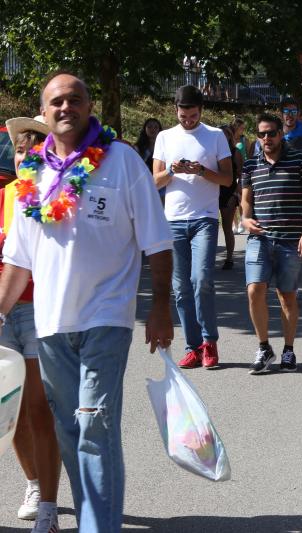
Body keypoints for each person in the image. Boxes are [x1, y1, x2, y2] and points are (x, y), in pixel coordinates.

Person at [0, 72, 173, 533]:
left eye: (74, 99)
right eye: (56, 101)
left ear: (89, 105)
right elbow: (18, 261)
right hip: (51, 325)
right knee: (71, 431)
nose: (65, 108)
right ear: (45, 110)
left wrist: (160, 308)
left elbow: (157, 242)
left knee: (94, 428)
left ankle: (99, 528)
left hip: (106, 320)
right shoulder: (32, 174)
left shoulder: (122, 161)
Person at [3, 116, 62, 531]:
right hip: (3, 310)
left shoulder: (63, 193)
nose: (26, 157)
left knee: (42, 410)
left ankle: (49, 506)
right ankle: (34, 484)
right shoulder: (6, 194)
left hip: (41, 310)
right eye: (20, 150)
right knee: (14, 412)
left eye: (33, 149)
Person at [153, 85, 232, 369]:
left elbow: (227, 179)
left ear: (201, 111)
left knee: (202, 280)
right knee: (181, 288)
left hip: (205, 218)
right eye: (184, 115)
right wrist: (172, 170)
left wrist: (200, 170)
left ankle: (209, 341)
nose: (188, 120)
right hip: (173, 220)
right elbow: (155, 182)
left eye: (194, 115)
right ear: (176, 110)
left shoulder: (215, 136)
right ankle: (193, 347)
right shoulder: (164, 137)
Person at [242, 113, 302, 374]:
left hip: (290, 240)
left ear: (280, 134)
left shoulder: (298, 160)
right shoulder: (251, 165)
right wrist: (245, 218)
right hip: (259, 238)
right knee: (254, 290)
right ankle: (264, 347)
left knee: (287, 296)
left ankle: (288, 350)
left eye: (271, 133)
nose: (266, 138)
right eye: (261, 134)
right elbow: (246, 200)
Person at [218, 125, 242, 270]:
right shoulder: (212, 151)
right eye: (219, 134)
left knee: (227, 226)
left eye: (225, 134)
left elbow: (241, 172)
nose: (222, 136)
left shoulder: (235, 152)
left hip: (229, 191)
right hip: (212, 191)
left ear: (230, 136)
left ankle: (229, 257)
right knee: (210, 226)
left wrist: (237, 191)